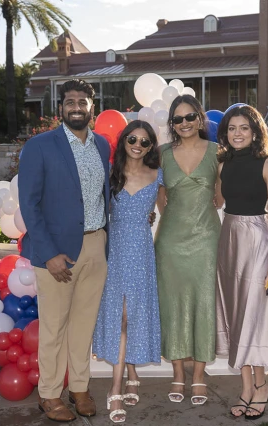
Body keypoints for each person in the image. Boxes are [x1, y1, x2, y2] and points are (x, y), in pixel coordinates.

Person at [18, 79, 110, 422]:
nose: (76, 106)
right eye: (69, 101)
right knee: (54, 328)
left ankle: (80, 388)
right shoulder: (40, 146)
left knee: (83, 325)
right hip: (57, 253)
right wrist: (49, 253)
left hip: (96, 244)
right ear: (60, 109)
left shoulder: (101, 146)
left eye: (82, 101)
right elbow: (30, 204)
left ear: (92, 107)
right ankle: (50, 394)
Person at [214, 105, 268, 420]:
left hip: (256, 240)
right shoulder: (221, 164)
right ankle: (246, 387)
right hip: (228, 239)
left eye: (243, 127)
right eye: (231, 128)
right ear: (225, 133)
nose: (237, 133)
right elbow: (216, 201)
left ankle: (262, 385)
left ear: (255, 132)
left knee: (253, 313)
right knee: (235, 313)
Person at [92, 120, 163, 423]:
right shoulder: (110, 175)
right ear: (123, 141)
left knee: (134, 314)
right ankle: (116, 388)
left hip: (142, 253)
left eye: (145, 142)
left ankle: (131, 373)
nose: (137, 144)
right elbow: (96, 212)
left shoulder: (158, 176)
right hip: (115, 251)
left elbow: (167, 213)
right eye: (132, 138)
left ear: (151, 147)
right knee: (120, 316)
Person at [154, 94, 221, 405]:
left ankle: (199, 376)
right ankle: (178, 374)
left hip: (207, 239)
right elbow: (159, 194)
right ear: (172, 123)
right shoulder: (162, 154)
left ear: (200, 118)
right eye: (177, 119)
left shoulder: (217, 153)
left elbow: (220, 198)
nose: (184, 124)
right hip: (170, 242)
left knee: (204, 304)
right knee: (172, 306)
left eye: (189, 117)